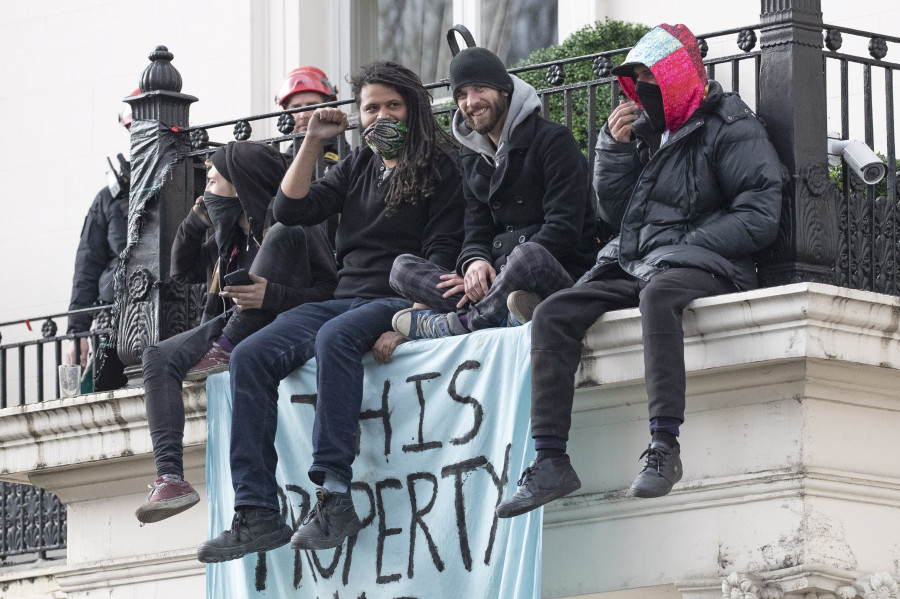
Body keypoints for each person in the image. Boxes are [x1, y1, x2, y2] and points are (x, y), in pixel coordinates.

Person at [496, 23, 784, 518]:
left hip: (709, 263)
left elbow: (760, 213)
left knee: (658, 297)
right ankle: (549, 460)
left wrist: (688, 245)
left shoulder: (732, 125)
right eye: (637, 82)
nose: (642, 91)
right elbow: (614, 213)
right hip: (641, 260)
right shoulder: (650, 132)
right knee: (555, 313)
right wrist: (612, 151)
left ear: (679, 78)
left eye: (652, 79)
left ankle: (664, 446)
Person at [197, 60, 464, 563]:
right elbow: (290, 210)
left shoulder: (441, 168)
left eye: (392, 105)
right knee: (251, 355)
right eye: (371, 108)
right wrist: (313, 141)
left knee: (334, 338)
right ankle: (256, 512)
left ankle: (335, 496)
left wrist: (409, 322)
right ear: (358, 115)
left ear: (413, 109)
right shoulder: (358, 164)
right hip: (345, 297)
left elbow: (442, 253)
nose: (381, 116)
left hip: (396, 296)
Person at [136, 141, 337, 524]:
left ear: (241, 184)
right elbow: (182, 272)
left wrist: (270, 294)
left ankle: (226, 347)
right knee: (156, 355)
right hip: (231, 326)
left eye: (212, 181)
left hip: (280, 323)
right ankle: (171, 477)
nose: (205, 190)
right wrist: (196, 221)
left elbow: (331, 293)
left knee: (280, 233)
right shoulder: (231, 237)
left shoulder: (294, 227)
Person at [389, 47, 597, 340]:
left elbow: (563, 231)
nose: (470, 102)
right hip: (500, 283)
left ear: (505, 91)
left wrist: (502, 271)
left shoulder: (553, 140)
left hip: (559, 274)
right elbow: (475, 230)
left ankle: (466, 323)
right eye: (461, 94)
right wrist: (475, 263)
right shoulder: (472, 157)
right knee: (402, 269)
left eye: (479, 88)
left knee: (529, 255)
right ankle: (506, 312)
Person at [65, 93, 137, 392]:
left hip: (175, 318)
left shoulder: (191, 178)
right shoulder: (108, 198)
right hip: (113, 319)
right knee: (95, 395)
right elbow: (88, 263)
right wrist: (78, 331)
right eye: (134, 128)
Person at [277, 66, 341, 244]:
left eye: (312, 106)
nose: (303, 115)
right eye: (296, 108)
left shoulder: (347, 157)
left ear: (329, 107)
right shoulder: (281, 161)